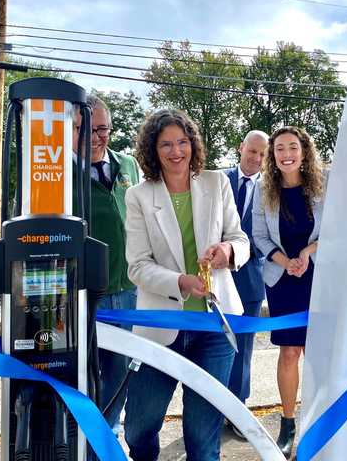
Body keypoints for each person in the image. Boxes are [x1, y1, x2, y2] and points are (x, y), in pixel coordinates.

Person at [123, 109, 250, 461]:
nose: (176, 151)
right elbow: (138, 266)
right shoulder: (138, 196)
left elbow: (240, 239)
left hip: (214, 326)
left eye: (182, 142)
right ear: (153, 150)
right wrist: (180, 281)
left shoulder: (216, 183)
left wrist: (228, 250)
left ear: (193, 144)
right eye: (166, 144)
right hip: (161, 327)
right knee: (139, 427)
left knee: (202, 437)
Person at [252, 126, 326, 459]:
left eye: (292, 147)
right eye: (279, 148)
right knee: (290, 352)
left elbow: (339, 229)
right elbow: (259, 236)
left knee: (318, 352)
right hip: (282, 280)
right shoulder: (263, 189)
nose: (286, 154)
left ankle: (318, 418)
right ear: (272, 155)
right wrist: (286, 261)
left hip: (318, 278)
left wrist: (307, 254)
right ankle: (288, 422)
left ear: (304, 150)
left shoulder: (324, 186)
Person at [72, 95, 142, 436]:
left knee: (121, 370)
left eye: (103, 129)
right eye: (86, 129)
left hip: (127, 287)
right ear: (71, 129)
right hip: (85, 294)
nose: (97, 137)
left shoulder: (127, 165)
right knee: (86, 369)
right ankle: (84, 437)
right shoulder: (57, 171)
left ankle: (108, 435)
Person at [223, 130, 269, 439]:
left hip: (251, 282)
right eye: (252, 151)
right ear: (241, 148)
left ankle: (237, 411)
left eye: (263, 155)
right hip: (216, 279)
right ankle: (211, 405)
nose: (256, 159)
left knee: (243, 351)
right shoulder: (218, 180)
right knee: (212, 345)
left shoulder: (270, 189)